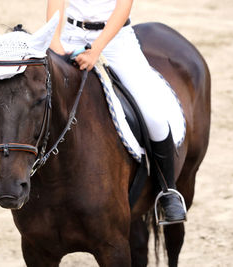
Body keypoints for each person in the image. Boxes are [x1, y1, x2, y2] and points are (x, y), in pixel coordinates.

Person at [46, 0, 186, 223]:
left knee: (154, 118)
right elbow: (55, 7)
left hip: (116, 43)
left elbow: (123, 8)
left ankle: (168, 191)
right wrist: (55, 45)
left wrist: (96, 51)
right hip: (70, 37)